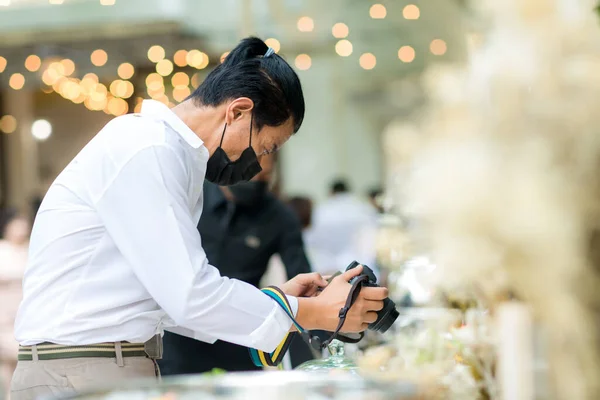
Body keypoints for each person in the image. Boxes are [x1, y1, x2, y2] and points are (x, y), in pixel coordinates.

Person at [11, 37, 388, 400]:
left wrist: (279, 302)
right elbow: (190, 295)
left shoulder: (171, 155)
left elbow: (169, 298)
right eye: (266, 147)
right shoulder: (148, 148)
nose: (259, 166)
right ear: (238, 111)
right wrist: (310, 312)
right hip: (81, 370)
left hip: (104, 364)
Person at [159, 154, 315, 375]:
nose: (257, 182)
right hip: (180, 337)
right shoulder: (191, 198)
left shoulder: (279, 217)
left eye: (266, 176)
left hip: (241, 337)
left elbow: (302, 277)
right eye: (253, 174)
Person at [304, 179, 379, 276]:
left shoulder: (321, 211)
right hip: (361, 267)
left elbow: (310, 240)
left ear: (331, 192)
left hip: (327, 269)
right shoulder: (364, 209)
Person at [0, 210, 30, 398]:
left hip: (25, 311)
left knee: (22, 358)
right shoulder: (2, 250)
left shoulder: (30, 250)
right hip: (4, 313)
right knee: (8, 362)